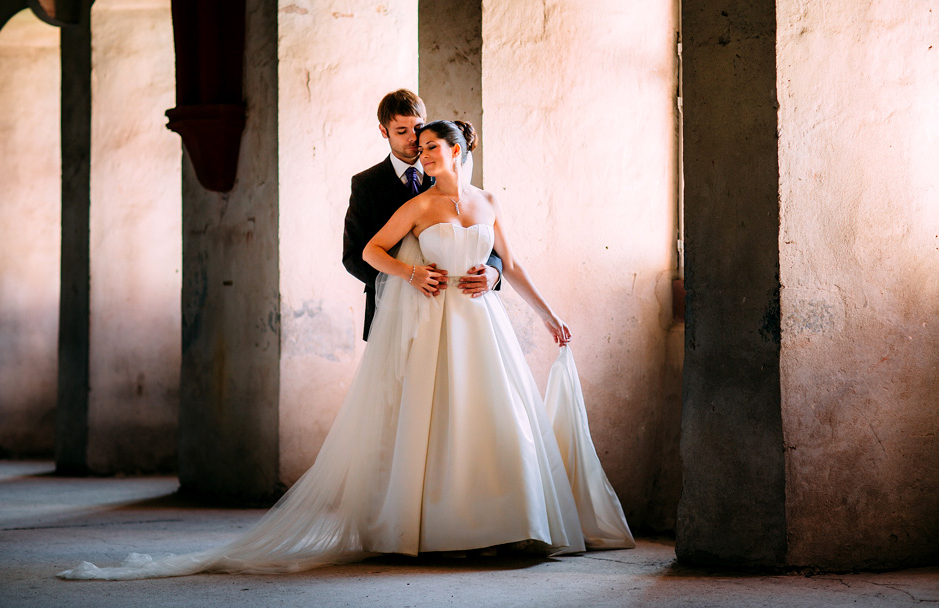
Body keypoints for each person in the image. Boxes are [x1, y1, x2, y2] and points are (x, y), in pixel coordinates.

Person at [57, 120, 634, 581]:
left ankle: (505, 525)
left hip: (482, 323)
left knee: (495, 417)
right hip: (435, 323)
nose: (425, 155)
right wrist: (413, 274)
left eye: (434, 147)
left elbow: (514, 263)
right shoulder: (419, 204)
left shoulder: (489, 202)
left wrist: (545, 312)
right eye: (421, 147)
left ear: (459, 150)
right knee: (436, 423)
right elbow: (372, 250)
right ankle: (440, 533)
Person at [343, 89, 503, 340]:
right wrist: (404, 282)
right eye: (401, 131)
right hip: (389, 310)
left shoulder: (447, 170)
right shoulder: (366, 184)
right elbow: (353, 255)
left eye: (417, 128)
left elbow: (480, 234)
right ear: (384, 131)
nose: (412, 138)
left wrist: (494, 273)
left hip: (455, 309)